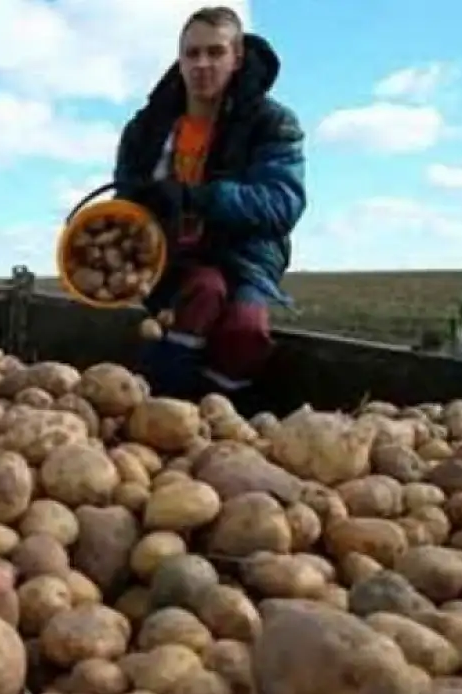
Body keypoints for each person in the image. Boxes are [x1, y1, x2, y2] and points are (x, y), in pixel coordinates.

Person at [113, 6, 306, 410]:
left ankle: (220, 414)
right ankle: (165, 405)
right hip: (174, 256)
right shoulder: (146, 128)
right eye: (192, 53)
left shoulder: (272, 122)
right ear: (179, 59)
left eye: (215, 52)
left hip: (245, 257)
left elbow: (282, 204)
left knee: (245, 330)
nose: (202, 64)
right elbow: (125, 200)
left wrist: (199, 197)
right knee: (202, 292)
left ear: (236, 58)